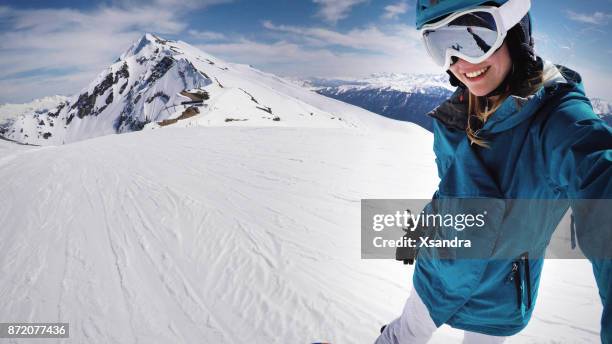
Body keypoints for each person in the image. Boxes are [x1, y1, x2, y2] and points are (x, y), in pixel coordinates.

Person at [375, 0, 612, 343]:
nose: (458, 62)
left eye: (473, 37)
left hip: (498, 294)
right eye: (439, 44)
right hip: (438, 273)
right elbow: (451, 192)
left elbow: (600, 185)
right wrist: (423, 229)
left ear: (515, 30)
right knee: (402, 335)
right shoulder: (455, 119)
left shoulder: (556, 121)